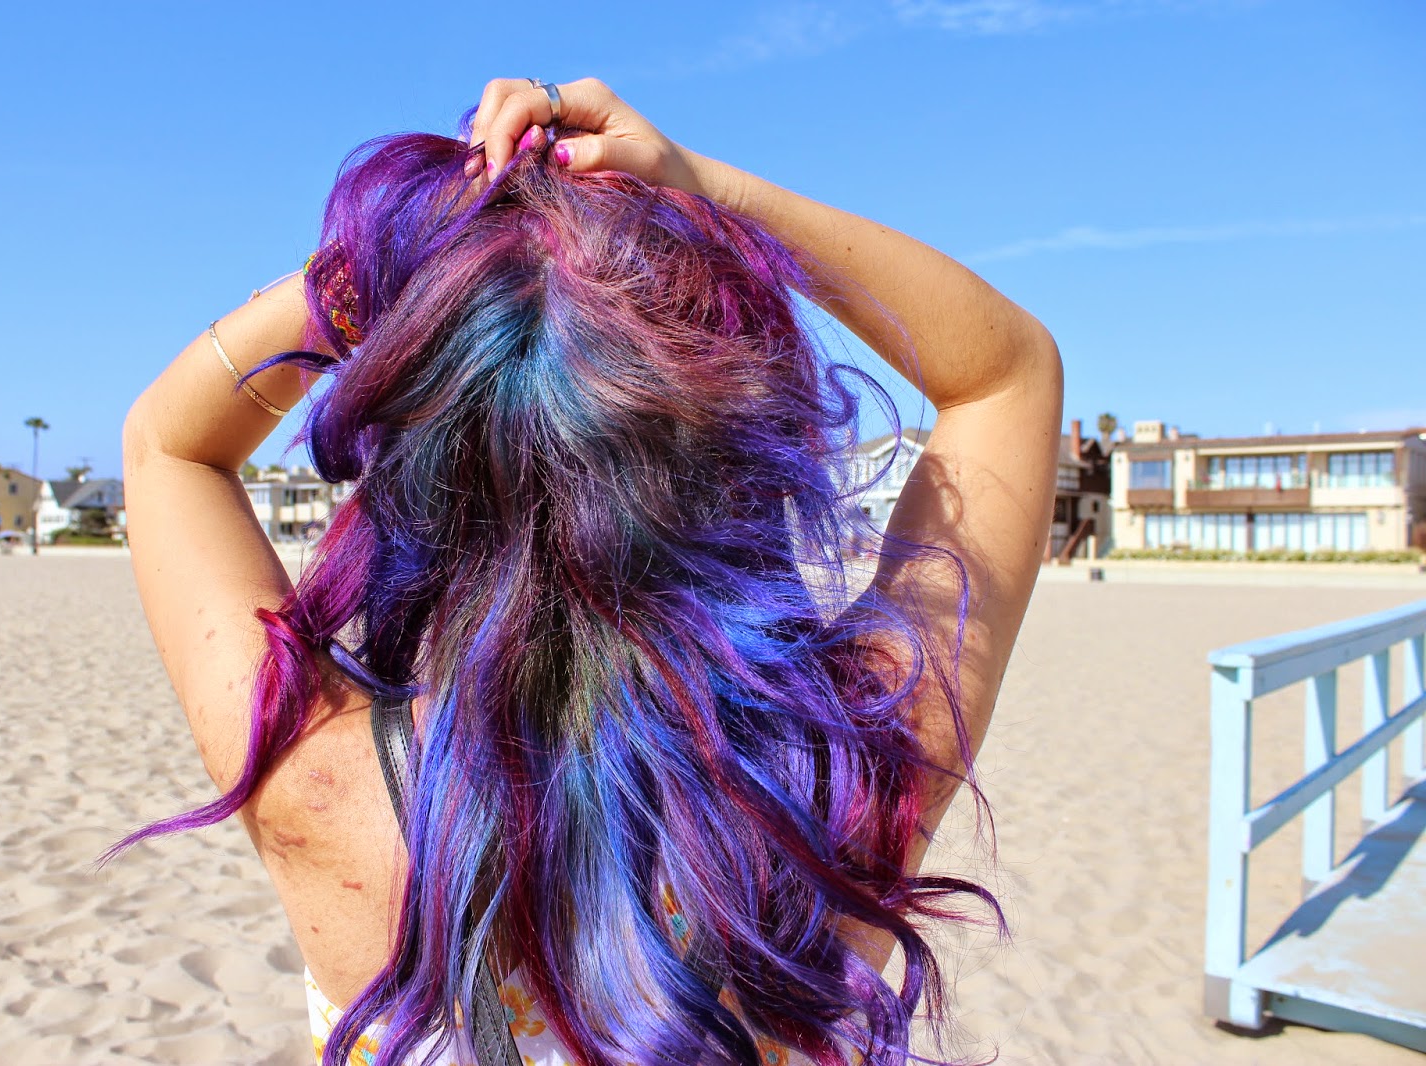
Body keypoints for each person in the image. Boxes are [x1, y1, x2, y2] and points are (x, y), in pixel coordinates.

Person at [114, 78, 1061, 1066]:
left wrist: (391, 254)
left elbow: (169, 445)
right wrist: (705, 192)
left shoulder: (319, 778)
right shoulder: (843, 780)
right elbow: (1007, 373)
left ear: (416, 483)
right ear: (745, 466)